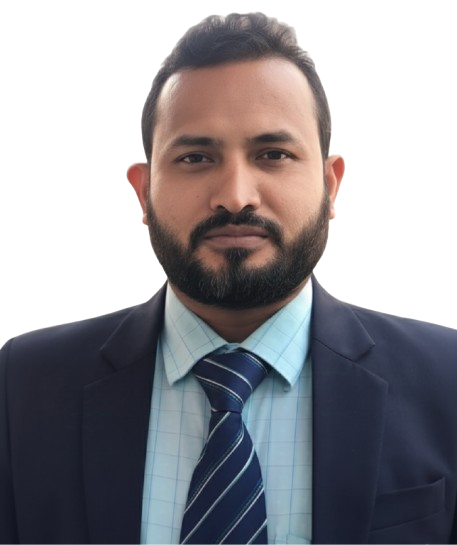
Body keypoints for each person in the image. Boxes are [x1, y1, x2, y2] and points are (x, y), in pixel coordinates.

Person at [1, 11, 456, 545]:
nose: (235, 196)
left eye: (273, 154)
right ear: (143, 192)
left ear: (331, 186)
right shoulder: (22, 388)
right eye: (196, 157)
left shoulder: (447, 381)